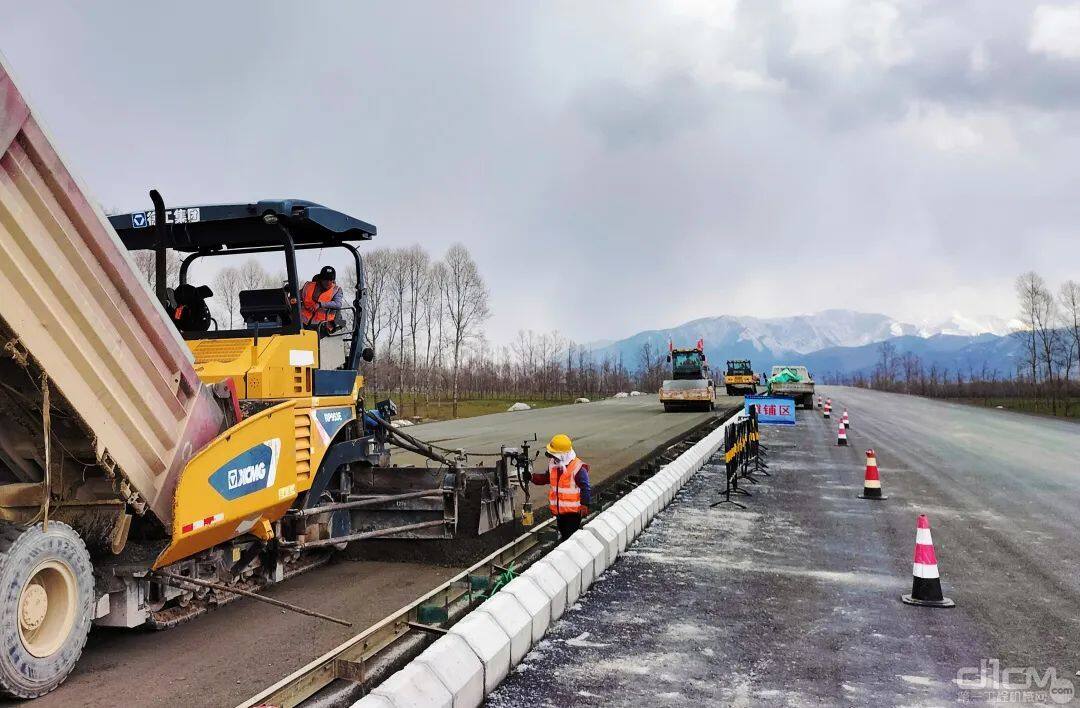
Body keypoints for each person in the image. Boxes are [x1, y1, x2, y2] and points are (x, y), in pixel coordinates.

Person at [531, 433, 591, 541]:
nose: (552, 457)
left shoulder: (577, 467)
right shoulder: (554, 465)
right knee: (565, 537)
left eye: (554, 454)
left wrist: (584, 504)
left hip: (573, 514)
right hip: (560, 512)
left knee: (570, 539)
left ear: (562, 454)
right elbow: (547, 478)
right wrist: (531, 477)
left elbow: (585, 487)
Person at [300, 265, 343, 331]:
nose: (328, 282)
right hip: (302, 323)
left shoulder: (336, 290)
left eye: (330, 279)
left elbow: (338, 304)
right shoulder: (308, 286)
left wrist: (320, 304)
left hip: (322, 326)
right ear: (321, 279)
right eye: (325, 279)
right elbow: (296, 297)